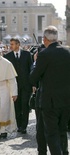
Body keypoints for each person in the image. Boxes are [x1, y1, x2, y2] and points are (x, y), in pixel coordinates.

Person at [30, 25, 70, 155]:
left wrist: (35, 62)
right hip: (66, 99)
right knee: (62, 130)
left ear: (45, 39)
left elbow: (33, 78)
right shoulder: (68, 52)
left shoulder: (44, 54)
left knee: (52, 133)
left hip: (50, 101)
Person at [4, 38, 33, 134]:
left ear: (18, 44)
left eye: (12, 44)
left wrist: (33, 83)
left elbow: (31, 68)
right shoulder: (7, 56)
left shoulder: (27, 54)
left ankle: (24, 126)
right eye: (10, 44)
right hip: (14, 86)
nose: (10, 46)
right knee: (17, 106)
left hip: (26, 85)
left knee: (25, 105)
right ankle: (19, 125)